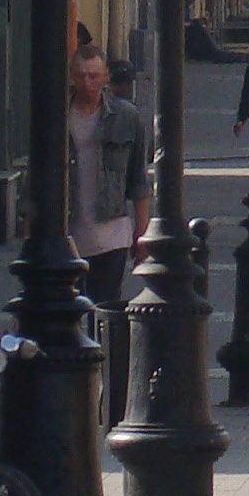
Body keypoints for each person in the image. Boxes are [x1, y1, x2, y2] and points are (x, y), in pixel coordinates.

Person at [70, 42, 150, 307]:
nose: (87, 82)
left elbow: (138, 179)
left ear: (105, 77)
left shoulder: (126, 117)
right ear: (72, 76)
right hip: (68, 231)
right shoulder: (59, 116)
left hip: (111, 231)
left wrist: (142, 233)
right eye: (81, 75)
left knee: (104, 308)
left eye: (93, 76)